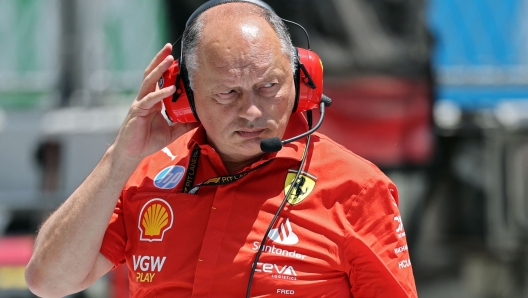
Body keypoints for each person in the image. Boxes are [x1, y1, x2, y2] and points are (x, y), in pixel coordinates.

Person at [25, 1, 417, 297]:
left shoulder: (358, 189)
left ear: (303, 81)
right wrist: (120, 157)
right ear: (184, 97)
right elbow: (48, 281)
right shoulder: (143, 177)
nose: (251, 111)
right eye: (228, 93)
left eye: (269, 87)